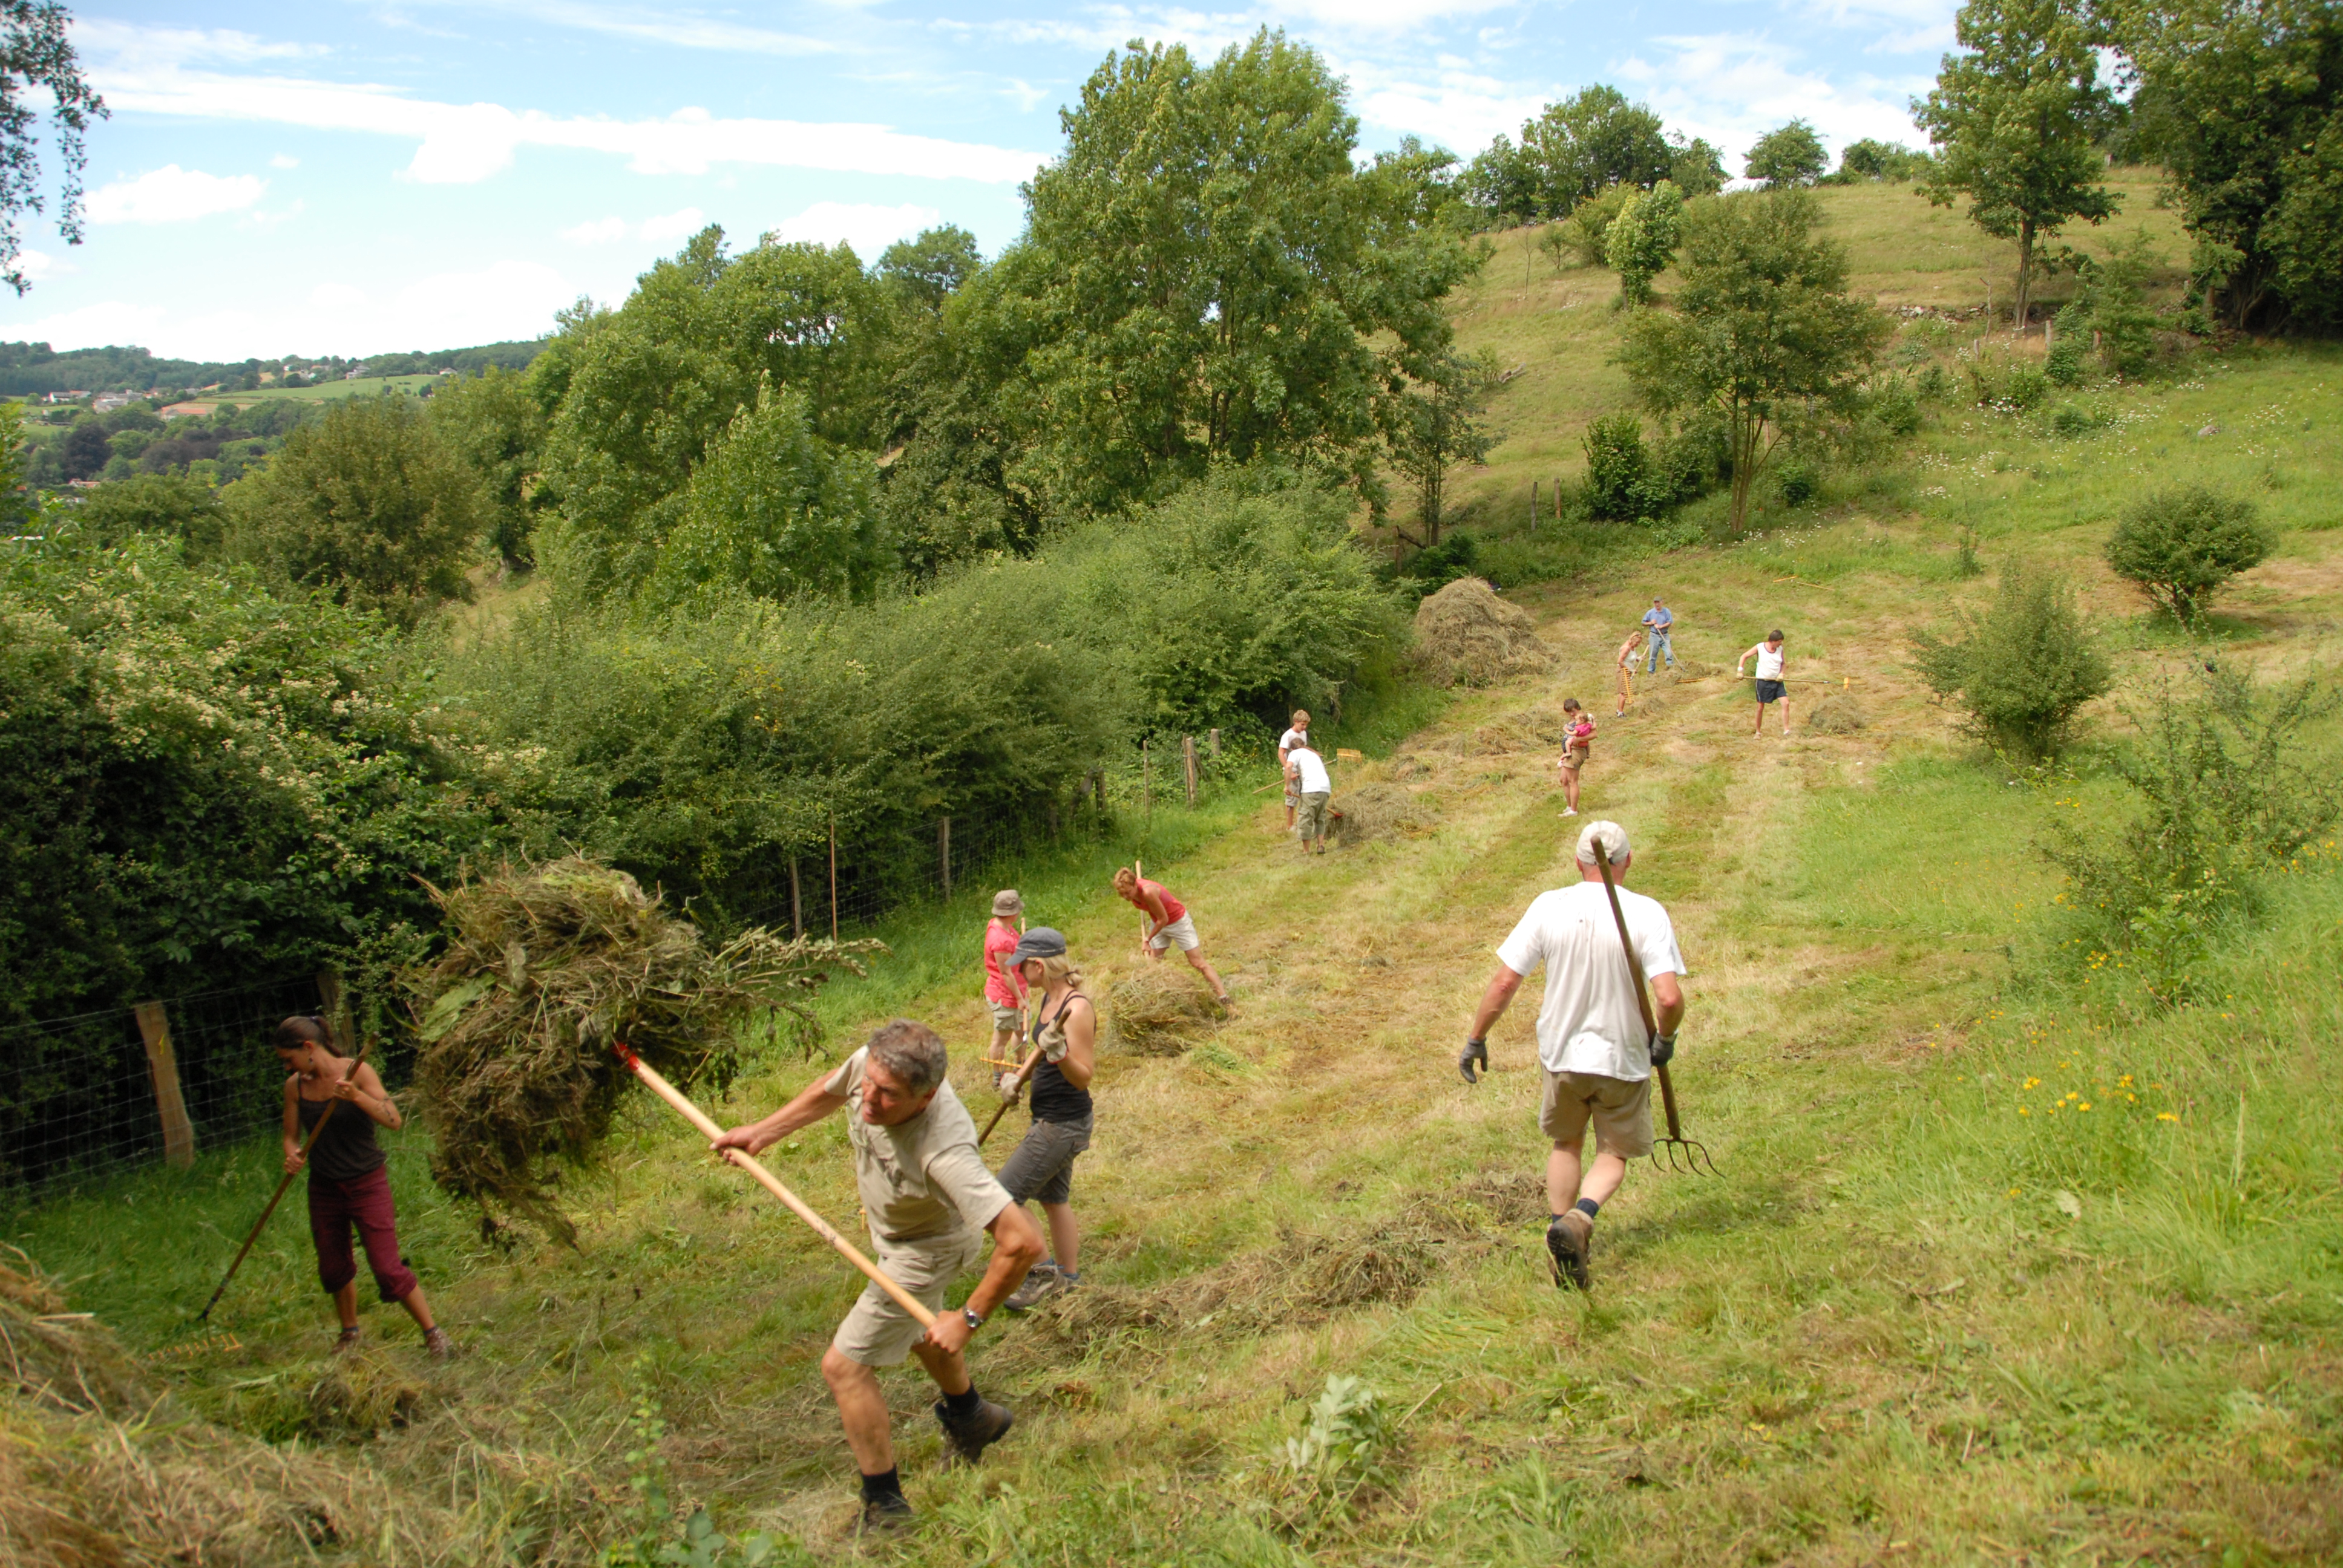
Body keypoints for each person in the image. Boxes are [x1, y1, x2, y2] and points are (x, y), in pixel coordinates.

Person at [713, 1021, 1046, 1530]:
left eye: (887, 1095)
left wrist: (970, 1318)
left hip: (929, 1249)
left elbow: (1023, 1241)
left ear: (926, 1097)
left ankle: (885, 1507)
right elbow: (832, 1087)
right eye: (868, 1083)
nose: (868, 1101)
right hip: (895, 1236)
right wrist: (762, 1133)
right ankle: (974, 1418)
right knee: (917, 1330)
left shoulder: (944, 1151)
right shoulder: (876, 1063)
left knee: (844, 1367)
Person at [1455, 821, 1688, 1293]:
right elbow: (1667, 998)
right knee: (1615, 1151)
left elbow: (1504, 982)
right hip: (1621, 1056)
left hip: (1561, 1053)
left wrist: (1477, 1037)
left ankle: (1558, 1230)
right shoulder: (1646, 912)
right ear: (1627, 862)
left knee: (1566, 1145)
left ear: (1578, 863)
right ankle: (1581, 1221)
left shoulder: (1550, 906)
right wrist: (1666, 1038)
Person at [275, 1016, 452, 1358]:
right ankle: (350, 1334)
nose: (286, 1066)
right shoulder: (295, 1086)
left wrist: (356, 1096)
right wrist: (292, 1156)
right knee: (332, 1266)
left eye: (288, 1058)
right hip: (324, 1187)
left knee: (387, 1268)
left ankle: (434, 1334)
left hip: (367, 1183)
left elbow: (394, 1120)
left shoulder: (358, 1072)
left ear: (308, 1048)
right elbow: (290, 1137)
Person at [990, 927, 1096, 1313]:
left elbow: (1083, 1075)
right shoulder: (1048, 1000)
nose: (1019, 974)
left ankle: (1043, 1274)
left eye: (1023, 967)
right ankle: (1068, 1279)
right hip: (1048, 1115)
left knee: (1003, 1197)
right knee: (1054, 1198)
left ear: (1039, 964)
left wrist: (1062, 1053)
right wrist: (1018, 1077)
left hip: (1064, 1123)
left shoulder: (1077, 1008)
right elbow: (1039, 1055)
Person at [1113, 866, 1233, 1010]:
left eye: (1128, 893)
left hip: (1177, 922)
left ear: (1134, 884)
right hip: (1158, 921)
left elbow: (1164, 919)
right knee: (1152, 965)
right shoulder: (1132, 888)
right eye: (1122, 894)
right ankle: (1160, 1002)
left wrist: (1147, 940)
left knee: (1197, 963)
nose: (1126, 897)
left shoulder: (1148, 892)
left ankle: (1224, 998)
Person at [981, 889, 1027, 1069]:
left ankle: (1021, 1066)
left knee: (1022, 1031)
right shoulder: (1000, 939)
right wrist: (1019, 999)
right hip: (1006, 996)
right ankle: (997, 1075)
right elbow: (1006, 973)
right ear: (1012, 913)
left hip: (1019, 989)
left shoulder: (1003, 925)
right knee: (1002, 1038)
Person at [1735, 629, 1791, 737]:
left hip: (1777, 682)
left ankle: (1786, 730)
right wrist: (1740, 670)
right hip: (1763, 682)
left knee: (1786, 703)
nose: (1781, 644)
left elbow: (1784, 664)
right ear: (1773, 641)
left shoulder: (1780, 649)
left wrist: (1782, 674)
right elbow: (1744, 656)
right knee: (1760, 707)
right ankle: (1758, 732)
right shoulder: (1760, 647)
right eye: (1779, 641)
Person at [1286, 741, 1333, 854]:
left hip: (1311, 788)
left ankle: (1306, 851)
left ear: (1292, 749)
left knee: (1305, 818)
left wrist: (1287, 786)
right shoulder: (1313, 754)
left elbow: (1288, 767)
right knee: (1319, 817)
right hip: (1325, 788)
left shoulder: (1295, 753)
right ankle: (1321, 845)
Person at [1555, 699, 1594, 817]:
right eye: (1569, 712)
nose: (1572, 714)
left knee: (1573, 781)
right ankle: (1569, 806)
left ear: (1578, 708)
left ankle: (1574, 810)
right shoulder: (1575, 720)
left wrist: (1578, 740)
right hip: (1569, 751)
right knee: (1564, 779)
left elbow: (1594, 734)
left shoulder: (1585, 719)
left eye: (1573, 711)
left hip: (1576, 751)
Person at [1276, 710, 1312, 832]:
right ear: (1296, 722)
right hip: (1291, 771)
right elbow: (1281, 754)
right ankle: (1290, 826)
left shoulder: (1304, 734)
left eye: (1306, 725)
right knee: (1292, 798)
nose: (1305, 727)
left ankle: (1301, 823)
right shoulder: (1288, 736)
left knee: (1303, 796)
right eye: (1302, 724)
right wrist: (1289, 771)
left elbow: (1304, 750)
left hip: (1302, 770)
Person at [1641, 598, 1676, 675]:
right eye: (1655, 603)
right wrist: (1651, 623)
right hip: (1654, 636)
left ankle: (1671, 671)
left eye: (1658, 602)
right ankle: (1651, 672)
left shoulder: (1666, 611)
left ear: (1662, 602)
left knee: (1669, 653)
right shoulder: (1651, 612)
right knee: (1653, 655)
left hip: (1665, 635)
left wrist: (1661, 627)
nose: (1657, 604)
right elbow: (1643, 623)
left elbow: (1670, 622)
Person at [1614, 629, 1643, 717]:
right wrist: (1630, 670)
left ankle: (1619, 710)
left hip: (1627, 671)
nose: (1638, 644)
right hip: (1623, 671)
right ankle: (1620, 712)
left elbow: (1630, 659)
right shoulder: (1626, 648)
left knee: (1623, 692)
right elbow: (1620, 661)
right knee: (1624, 692)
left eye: (1639, 643)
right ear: (1633, 640)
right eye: (1637, 642)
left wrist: (1638, 659)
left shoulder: (1632, 648)